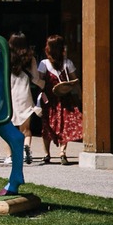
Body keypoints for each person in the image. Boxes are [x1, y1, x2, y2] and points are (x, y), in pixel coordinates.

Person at [38, 34, 82, 165]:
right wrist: (80, 95)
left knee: (47, 126)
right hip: (65, 99)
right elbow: (75, 80)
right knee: (65, 125)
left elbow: (40, 81)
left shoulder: (43, 63)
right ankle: (62, 152)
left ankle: (47, 154)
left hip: (49, 100)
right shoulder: (68, 63)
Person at [5, 31, 44, 165]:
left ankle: (10, 155)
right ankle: (26, 148)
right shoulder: (30, 58)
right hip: (24, 94)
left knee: (9, 128)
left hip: (9, 94)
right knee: (25, 129)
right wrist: (45, 85)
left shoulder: (5, 56)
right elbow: (35, 78)